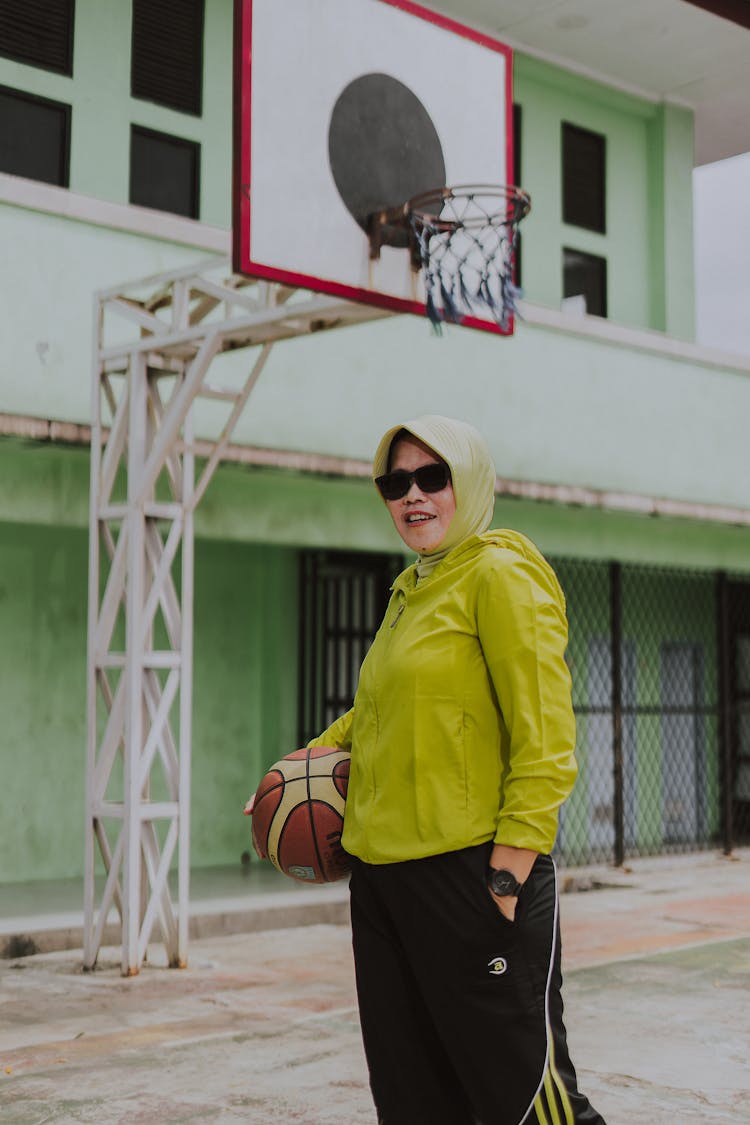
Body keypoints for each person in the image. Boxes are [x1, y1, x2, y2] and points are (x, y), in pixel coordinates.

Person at [310, 414, 605, 1124]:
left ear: (467, 482)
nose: (413, 494)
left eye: (431, 476)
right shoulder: (411, 589)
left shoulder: (499, 573)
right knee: (415, 1103)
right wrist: (312, 760)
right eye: (395, 480)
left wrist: (506, 875)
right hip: (383, 886)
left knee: (529, 1102)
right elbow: (377, 711)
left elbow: (547, 735)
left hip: (472, 877)